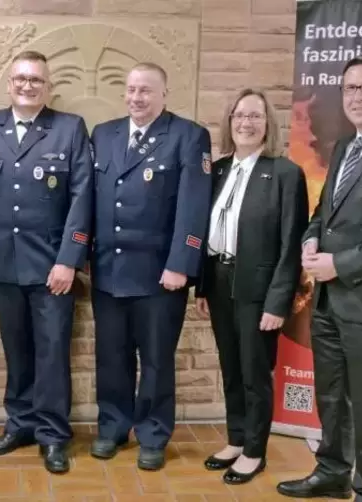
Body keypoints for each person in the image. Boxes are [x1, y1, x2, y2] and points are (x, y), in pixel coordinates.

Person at [277, 55, 362, 501]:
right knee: (332, 397)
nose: (357, 96)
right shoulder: (343, 147)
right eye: (350, 88)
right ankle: (333, 471)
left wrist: (341, 264)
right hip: (329, 304)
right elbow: (323, 216)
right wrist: (311, 241)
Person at [0, 50, 92, 474]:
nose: (28, 85)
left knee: (52, 353)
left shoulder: (69, 129)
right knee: (16, 350)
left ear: (47, 86)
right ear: (9, 83)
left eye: (36, 79)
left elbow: (82, 198)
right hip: (0, 264)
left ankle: (53, 434)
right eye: (20, 78)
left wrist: (69, 259)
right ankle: (20, 423)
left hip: (52, 266)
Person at [88, 62, 212, 471]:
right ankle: (112, 426)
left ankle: (154, 433)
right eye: (131, 89)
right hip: (108, 269)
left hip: (160, 274)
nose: (136, 98)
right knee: (111, 355)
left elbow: (193, 208)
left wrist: (181, 263)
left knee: (156, 358)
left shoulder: (188, 136)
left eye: (145, 90)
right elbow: (89, 200)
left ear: (164, 94)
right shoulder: (104, 134)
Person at [194, 88, 308, 484]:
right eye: (239, 115)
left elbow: (290, 244)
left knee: (255, 371)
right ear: (229, 122)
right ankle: (237, 438)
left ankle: (255, 450)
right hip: (221, 280)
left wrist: (277, 302)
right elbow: (207, 230)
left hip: (259, 289)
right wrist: (203, 287)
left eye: (255, 116)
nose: (246, 122)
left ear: (267, 125)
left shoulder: (285, 173)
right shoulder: (220, 170)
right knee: (230, 366)